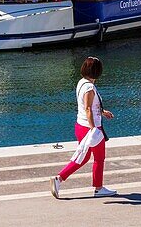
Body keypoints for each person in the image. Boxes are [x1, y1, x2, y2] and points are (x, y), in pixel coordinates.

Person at [51, 56, 118, 198]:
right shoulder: (89, 87)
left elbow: (89, 106)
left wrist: (102, 112)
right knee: (99, 159)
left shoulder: (82, 83)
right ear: (97, 71)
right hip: (91, 129)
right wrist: (94, 128)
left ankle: (59, 179)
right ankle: (98, 188)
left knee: (83, 156)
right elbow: (88, 109)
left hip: (81, 126)